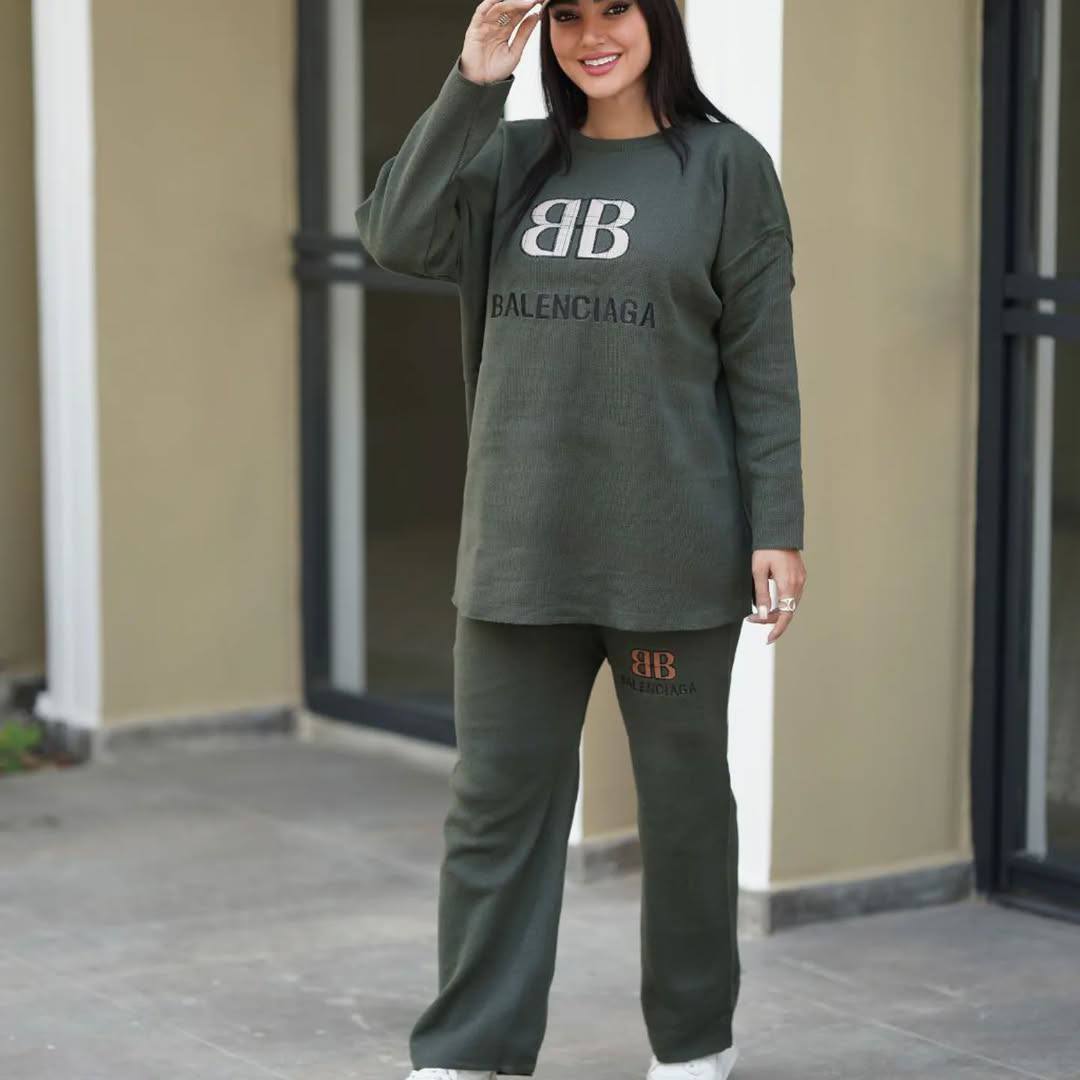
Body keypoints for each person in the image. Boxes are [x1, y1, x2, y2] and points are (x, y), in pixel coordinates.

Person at [354, 1, 808, 1077]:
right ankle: (468, 1050)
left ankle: (693, 1046)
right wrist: (474, 79)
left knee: (685, 811)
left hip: (672, 553)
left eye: (616, 8)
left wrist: (777, 524)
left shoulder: (727, 168)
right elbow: (394, 233)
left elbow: (761, 359)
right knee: (494, 811)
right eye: (566, 14)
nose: (591, 34)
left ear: (658, 19)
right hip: (519, 551)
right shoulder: (508, 157)